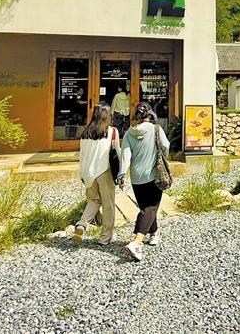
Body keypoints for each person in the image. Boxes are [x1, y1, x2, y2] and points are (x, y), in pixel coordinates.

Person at [121, 102, 169, 261]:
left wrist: (121, 174)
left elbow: (125, 156)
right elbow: (166, 146)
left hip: (136, 178)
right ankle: (136, 242)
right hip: (153, 175)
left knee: (146, 208)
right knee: (150, 208)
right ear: (150, 114)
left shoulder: (129, 133)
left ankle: (154, 233)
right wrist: (163, 157)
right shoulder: (156, 129)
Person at [72, 102, 122, 246]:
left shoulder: (85, 133)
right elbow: (117, 152)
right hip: (104, 171)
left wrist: (81, 174)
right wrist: (121, 173)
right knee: (108, 205)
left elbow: (81, 155)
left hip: (87, 172)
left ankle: (82, 224)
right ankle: (105, 238)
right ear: (108, 116)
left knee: (93, 200)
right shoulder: (111, 131)